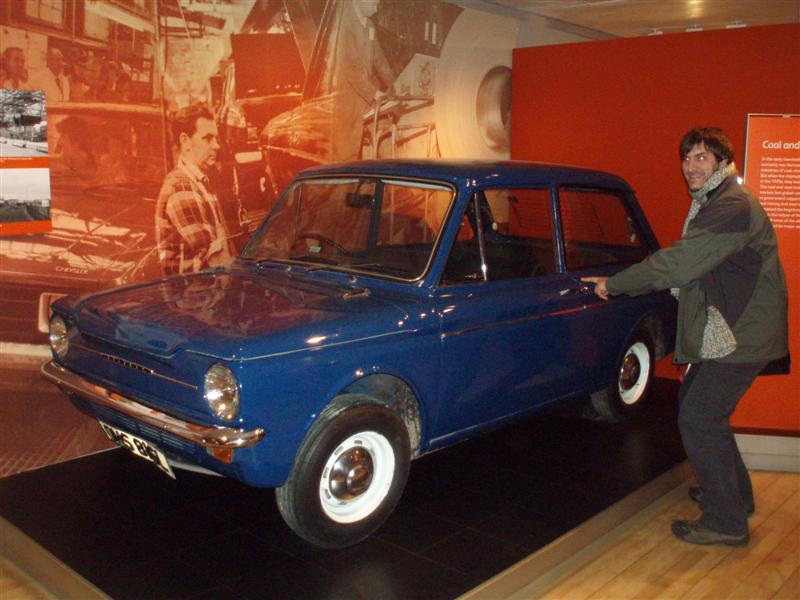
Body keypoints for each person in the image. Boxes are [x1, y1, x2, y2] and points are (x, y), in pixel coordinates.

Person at [583, 127, 789, 547]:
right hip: (737, 328)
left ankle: (726, 522)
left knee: (699, 417)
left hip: (742, 335)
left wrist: (615, 284)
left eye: (702, 157)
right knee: (702, 408)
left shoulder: (730, 206)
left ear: (722, 162)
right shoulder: (718, 200)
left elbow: (679, 264)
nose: (691, 167)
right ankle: (735, 497)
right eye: (687, 158)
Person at [155, 104, 234, 276]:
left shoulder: (201, 181)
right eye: (207, 138)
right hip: (193, 292)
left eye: (216, 138)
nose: (216, 146)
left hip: (209, 289)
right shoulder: (180, 186)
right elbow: (216, 261)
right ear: (185, 141)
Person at [330, 0, 395, 160]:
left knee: (386, 136)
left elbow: (379, 59)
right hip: (348, 101)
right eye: (373, 2)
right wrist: (374, 93)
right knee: (347, 156)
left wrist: (394, 84)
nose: (377, 6)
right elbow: (350, 69)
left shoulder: (370, 25)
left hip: (367, 96)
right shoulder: (343, 26)